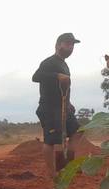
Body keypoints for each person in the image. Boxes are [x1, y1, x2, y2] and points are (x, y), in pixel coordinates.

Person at [32, 33, 83, 178]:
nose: (71, 47)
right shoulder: (49, 62)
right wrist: (56, 76)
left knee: (77, 132)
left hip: (63, 107)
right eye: (67, 44)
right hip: (49, 108)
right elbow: (35, 77)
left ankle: (68, 165)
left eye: (72, 45)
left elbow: (64, 89)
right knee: (52, 141)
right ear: (58, 45)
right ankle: (52, 174)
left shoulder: (64, 64)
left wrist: (69, 103)